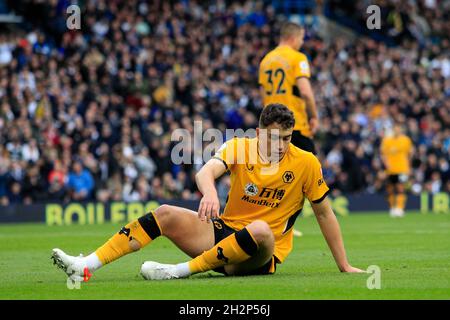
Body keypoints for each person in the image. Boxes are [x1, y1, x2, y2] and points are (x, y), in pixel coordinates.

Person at [52, 104, 363, 282]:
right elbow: (205, 171)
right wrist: (210, 192)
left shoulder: (307, 163)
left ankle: (177, 271)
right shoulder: (240, 146)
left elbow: (324, 212)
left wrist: (344, 266)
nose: (280, 145)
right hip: (224, 233)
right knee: (165, 213)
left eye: (285, 138)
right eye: (273, 138)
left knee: (261, 230)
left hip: (261, 253)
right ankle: (86, 265)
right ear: (258, 134)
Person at [259, 21, 319, 236]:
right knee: (306, 171)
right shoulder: (297, 58)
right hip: (294, 124)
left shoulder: (265, 61)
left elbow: (263, 95)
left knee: (273, 174)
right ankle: (285, 223)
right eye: (302, 38)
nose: (302, 43)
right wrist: (314, 116)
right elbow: (305, 92)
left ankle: (273, 221)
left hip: (270, 124)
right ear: (294, 37)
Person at [380, 124, 413, 217]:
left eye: (398, 129)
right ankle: (392, 208)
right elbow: (383, 154)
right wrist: (386, 164)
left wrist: (409, 167)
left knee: (400, 187)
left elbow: (410, 154)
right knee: (390, 188)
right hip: (390, 170)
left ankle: (400, 208)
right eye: (395, 129)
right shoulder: (387, 140)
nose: (397, 131)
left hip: (402, 168)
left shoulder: (406, 140)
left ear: (401, 130)